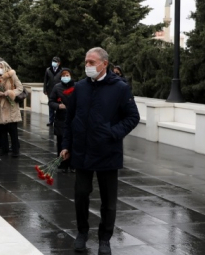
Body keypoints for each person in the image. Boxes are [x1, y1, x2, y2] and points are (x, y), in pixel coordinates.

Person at [60, 47, 139, 255]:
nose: (87, 66)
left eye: (92, 63)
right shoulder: (80, 87)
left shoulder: (120, 88)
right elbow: (69, 119)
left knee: (108, 200)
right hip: (82, 151)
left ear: (104, 64)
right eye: (86, 62)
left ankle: (105, 238)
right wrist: (66, 145)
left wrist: (112, 133)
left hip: (107, 151)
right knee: (81, 195)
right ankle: (82, 233)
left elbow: (132, 117)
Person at [0, 61, 24, 157]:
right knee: (2, 129)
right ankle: (4, 149)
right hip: (1, 106)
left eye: (2, 67)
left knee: (13, 129)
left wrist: (9, 92)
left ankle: (15, 150)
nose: (0, 69)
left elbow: (20, 88)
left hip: (11, 105)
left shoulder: (12, 75)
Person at [48, 68, 74, 172]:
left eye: (67, 75)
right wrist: (58, 106)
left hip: (73, 118)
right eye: (64, 75)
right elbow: (51, 101)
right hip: (61, 119)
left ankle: (73, 165)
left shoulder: (76, 87)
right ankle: (62, 164)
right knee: (61, 142)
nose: (65, 77)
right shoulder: (57, 87)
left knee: (73, 142)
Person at [43, 56, 62, 126]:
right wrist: (45, 89)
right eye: (53, 61)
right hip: (50, 90)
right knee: (51, 105)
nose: (54, 63)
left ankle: (57, 120)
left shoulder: (61, 70)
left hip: (58, 91)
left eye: (56, 61)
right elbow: (45, 80)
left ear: (59, 63)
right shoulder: (48, 70)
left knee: (58, 106)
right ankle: (51, 121)